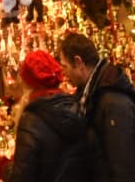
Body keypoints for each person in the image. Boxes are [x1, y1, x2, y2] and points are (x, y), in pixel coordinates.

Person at [58, 32, 135, 182]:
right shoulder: (94, 96)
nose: (64, 74)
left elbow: (124, 168)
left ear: (78, 63)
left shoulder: (112, 103)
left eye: (64, 66)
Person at [10, 51, 94, 182]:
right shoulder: (75, 107)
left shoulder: (31, 120)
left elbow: (22, 177)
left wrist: (4, 167)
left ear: (28, 83)